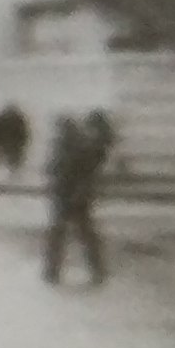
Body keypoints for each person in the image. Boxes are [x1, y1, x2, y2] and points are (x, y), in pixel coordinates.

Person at [42, 112, 109, 286]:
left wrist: (79, 193)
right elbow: (53, 170)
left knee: (77, 234)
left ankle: (95, 269)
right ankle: (53, 270)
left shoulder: (78, 149)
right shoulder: (63, 147)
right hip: (64, 196)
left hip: (74, 197)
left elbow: (85, 174)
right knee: (69, 234)